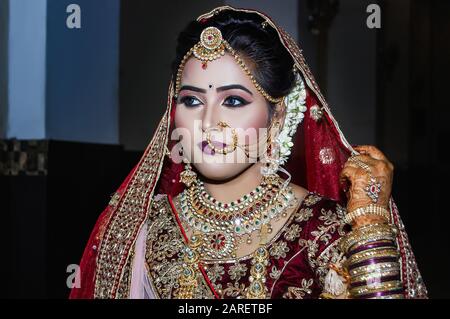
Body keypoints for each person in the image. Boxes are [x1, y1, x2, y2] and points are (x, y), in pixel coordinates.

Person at [70, 6, 427, 299]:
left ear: (278, 116)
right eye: (192, 100)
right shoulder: (142, 229)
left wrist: (369, 223)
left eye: (234, 100)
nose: (208, 122)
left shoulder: (326, 230)